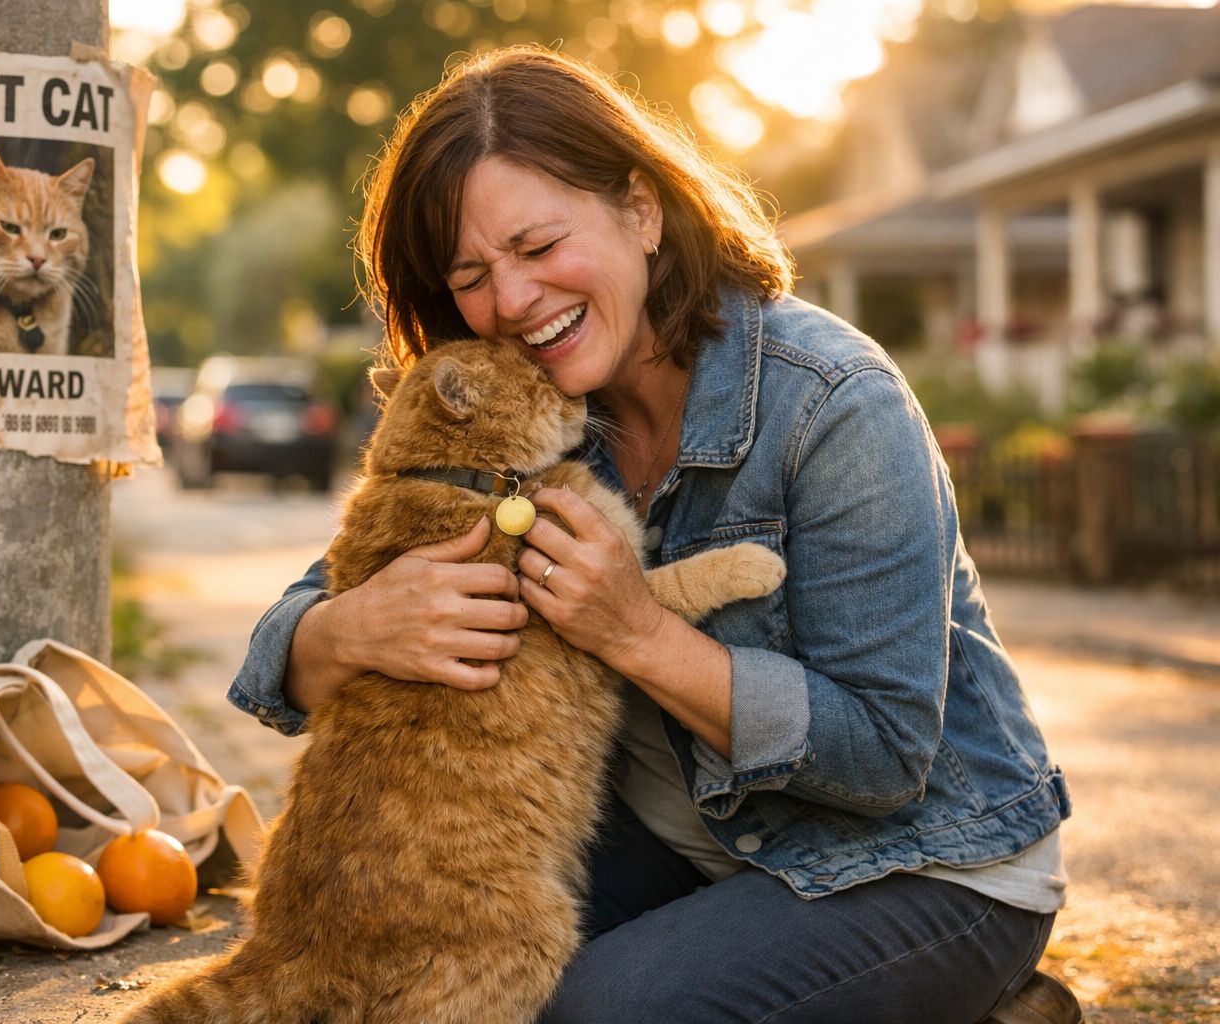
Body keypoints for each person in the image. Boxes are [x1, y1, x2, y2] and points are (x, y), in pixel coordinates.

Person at [226, 46, 1076, 1024]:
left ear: (640, 209)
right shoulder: (521, 420)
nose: (510, 302)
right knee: (405, 975)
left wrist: (636, 631)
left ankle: (967, 990)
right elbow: (298, 623)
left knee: (598, 1012)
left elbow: (884, 758)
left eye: (539, 247)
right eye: (471, 275)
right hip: (692, 842)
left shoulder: (836, 406)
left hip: (925, 859)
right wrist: (342, 632)